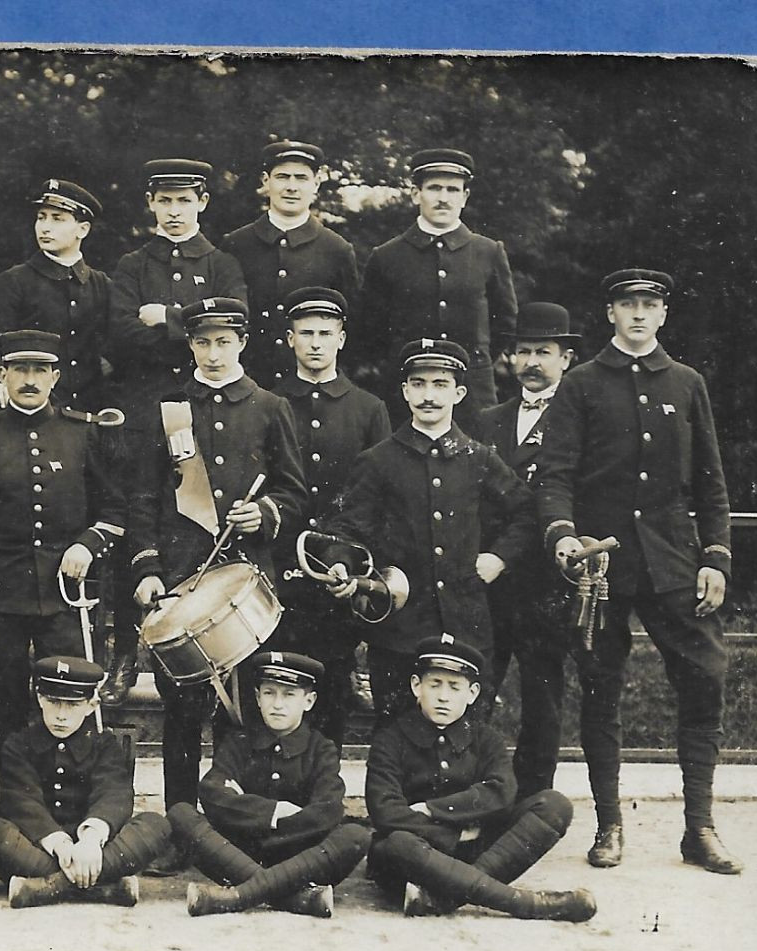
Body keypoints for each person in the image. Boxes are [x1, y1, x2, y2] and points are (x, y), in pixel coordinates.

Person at [534, 269, 742, 874]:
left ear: (664, 314)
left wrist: (716, 556)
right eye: (628, 305)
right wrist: (563, 537)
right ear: (610, 313)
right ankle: (609, 826)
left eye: (650, 305)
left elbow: (711, 483)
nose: (639, 315)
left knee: (706, 675)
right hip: (600, 564)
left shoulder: (687, 382)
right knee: (602, 687)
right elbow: (555, 476)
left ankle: (700, 827)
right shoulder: (581, 384)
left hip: (674, 561)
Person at [129, 297, 306, 816]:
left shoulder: (270, 407)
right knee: (181, 713)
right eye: (202, 341)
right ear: (189, 344)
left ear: (242, 343)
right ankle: (181, 822)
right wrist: (146, 568)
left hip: (247, 582)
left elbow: (295, 493)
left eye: (223, 341)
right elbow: (143, 497)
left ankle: (239, 820)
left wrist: (266, 513)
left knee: (244, 712)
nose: (213, 352)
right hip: (181, 580)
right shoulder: (169, 409)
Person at [322, 339, 534, 729]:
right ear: (404, 392)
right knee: (396, 734)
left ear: (459, 392)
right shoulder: (378, 460)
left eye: (440, 385)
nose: (429, 396)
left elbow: (525, 511)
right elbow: (349, 527)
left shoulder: (479, 458)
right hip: (401, 629)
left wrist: (499, 557)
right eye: (418, 384)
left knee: (466, 740)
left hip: (465, 624)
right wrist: (340, 563)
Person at [105, 158, 248, 705]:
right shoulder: (132, 264)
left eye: (183, 201)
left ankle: (211, 642)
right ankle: (125, 650)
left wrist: (163, 317)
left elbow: (235, 323)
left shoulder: (222, 262)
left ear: (202, 204)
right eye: (164, 201)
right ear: (151, 204)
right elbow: (119, 335)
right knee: (139, 521)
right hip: (147, 414)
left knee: (199, 523)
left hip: (209, 411)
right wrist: (183, 320)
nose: (173, 211)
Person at [0, 330, 127, 758]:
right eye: (20, 370)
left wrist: (87, 544)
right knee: (1, 709)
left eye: (40, 371)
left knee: (71, 704)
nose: (30, 380)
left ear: (55, 376)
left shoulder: (84, 434)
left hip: (66, 599)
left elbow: (115, 512)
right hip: (0, 602)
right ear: (3, 375)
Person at [365, 635, 596, 922]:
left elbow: (501, 792)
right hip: (418, 856)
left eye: (454, 687)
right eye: (434, 684)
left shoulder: (486, 738)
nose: (443, 696)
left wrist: (433, 810)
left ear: (472, 693)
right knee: (397, 843)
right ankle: (527, 904)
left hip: (474, 854)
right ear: (416, 686)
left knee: (554, 805)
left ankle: (444, 897)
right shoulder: (391, 739)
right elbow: (385, 810)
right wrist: (454, 833)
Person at [267, 287, 390, 749]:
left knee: (333, 680)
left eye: (325, 333)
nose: (315, 343)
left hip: (341, 569)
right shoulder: (268, 400)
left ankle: (326, 793)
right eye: (306, 333)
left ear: (341, 339)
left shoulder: (368, 409)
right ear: (290, 339)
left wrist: (350, 559)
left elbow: (377, 494)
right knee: (278, 677)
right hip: (280, 564)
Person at [168, 651, 371, 917]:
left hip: (296, 855)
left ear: (308, 701)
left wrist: (245, 809)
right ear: (257, 698)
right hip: (244, 853)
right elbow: (212, 792)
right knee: (181, 815)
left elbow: (328, 810)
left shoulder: (321, 748)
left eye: (289, 695)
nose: (278, 704)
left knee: (356, 836)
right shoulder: (239, 741)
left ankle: (237, 895)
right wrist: (275, 813)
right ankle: (293, 898)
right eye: (269, 693)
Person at [474, 302, 580, 798]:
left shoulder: (578, 418)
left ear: (566, 359)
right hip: (491, 578)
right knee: (476, 687)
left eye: (544, 351)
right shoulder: (487, 419)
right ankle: (473, 792)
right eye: (523, 352)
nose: (532, 361)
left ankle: (535, 797)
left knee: (543, 694)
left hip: (546, 578)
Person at [0, 656, 169, 907]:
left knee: (156, 825)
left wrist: (90, 841)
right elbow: (23, 802)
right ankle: (98, 886)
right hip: (39, 848)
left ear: (92, 704)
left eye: (72, 705)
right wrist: (59, 844)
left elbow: (113, 793)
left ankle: (47, 887)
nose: (61, 715)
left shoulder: (104, 745)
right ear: (39, 698)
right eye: (53, 702)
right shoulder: (19, 745)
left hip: (92, 851)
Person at [359, 148, 517, 432]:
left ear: (465, 197)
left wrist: (475, 362)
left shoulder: (488, 252)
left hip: (472, 393)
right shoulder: (386, 256)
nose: (444, 197)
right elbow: (371, 329)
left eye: (453, 189)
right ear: (416, 194)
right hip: (405, 392)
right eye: (434, 188)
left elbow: (505, 321)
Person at [221, 141, 359, 389]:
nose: (292, 187)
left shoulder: (336, 250)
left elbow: (351, 329)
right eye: (283, 177)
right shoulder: (236, 244)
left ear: (316, 183)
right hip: (248, 385)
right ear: (266, 181)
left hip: (311, 390)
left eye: (302, 178)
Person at [0, 178, 113, 412]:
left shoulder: (101, 284)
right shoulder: (15, 281)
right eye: (41, 217)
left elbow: (116, 350)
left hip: (90, 412)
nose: (45, 227)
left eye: (57, 219)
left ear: (82, 229)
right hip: (33, 411)